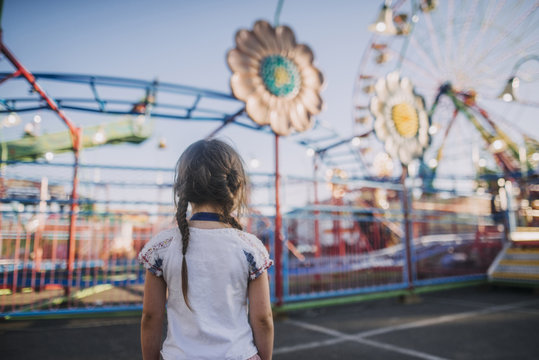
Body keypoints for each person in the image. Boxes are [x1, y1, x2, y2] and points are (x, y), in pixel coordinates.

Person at [138, 139, 274, 360]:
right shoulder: (250, 248)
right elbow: (263, 319)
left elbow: (150, 317)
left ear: (184, 187)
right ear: (235, 186)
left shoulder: (161, 247)